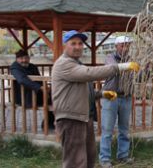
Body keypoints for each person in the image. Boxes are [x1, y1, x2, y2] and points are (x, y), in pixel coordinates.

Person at [52, 30, 139, 168]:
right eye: (73, 43)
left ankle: (121, 155)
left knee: (89, 157)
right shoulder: (64, 63)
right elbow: (90, 73)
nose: (77, 46)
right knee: (75, 161)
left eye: (80, 43)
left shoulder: (77, 63)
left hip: (83, 117)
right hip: (70, 118)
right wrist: (121, 67)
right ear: (65, 45)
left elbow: (86, 90)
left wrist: (102, 94)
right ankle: (105, 158)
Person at [99, 36, 134, 168]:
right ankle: (104, 159)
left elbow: (139, 76)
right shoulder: (110, 58)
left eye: (127, 45)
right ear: (116, 46)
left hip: (126, 97)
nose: (125, 48)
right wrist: (128, 65)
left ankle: (123, 155)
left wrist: (147, 70)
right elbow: (113, 68)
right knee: (107, 130)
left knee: (124, 129)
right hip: (110, 97)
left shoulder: (131, 60)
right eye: (122, 45)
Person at [10, 49, 55, 129]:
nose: (24, 60)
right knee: (50, 101)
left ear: (29, 58)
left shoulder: (32, 66)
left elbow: (40, 80)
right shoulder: (15, 67)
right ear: (17, 59)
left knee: (55, 99)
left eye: (26, 58)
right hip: (24, 96)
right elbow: (22, 80)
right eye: (21, 58)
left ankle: (48, 123)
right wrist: (40, 87)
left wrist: (46, 89)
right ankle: (48, 124)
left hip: (36, 93)